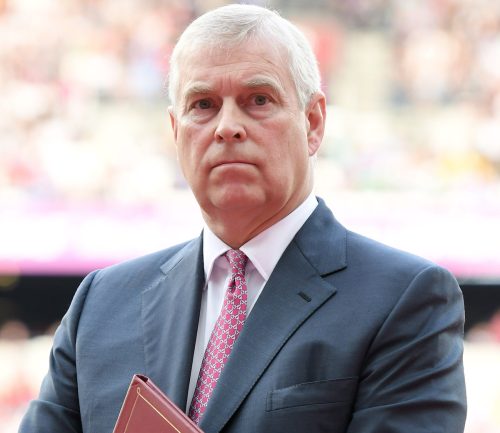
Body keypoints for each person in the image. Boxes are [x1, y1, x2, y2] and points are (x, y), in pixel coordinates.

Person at [19, 4, 466, 433]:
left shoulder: (403, 300)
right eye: (203, 104)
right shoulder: (100, 305)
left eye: (258, 99)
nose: (226, 126)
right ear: (175, 131)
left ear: (313, 122)